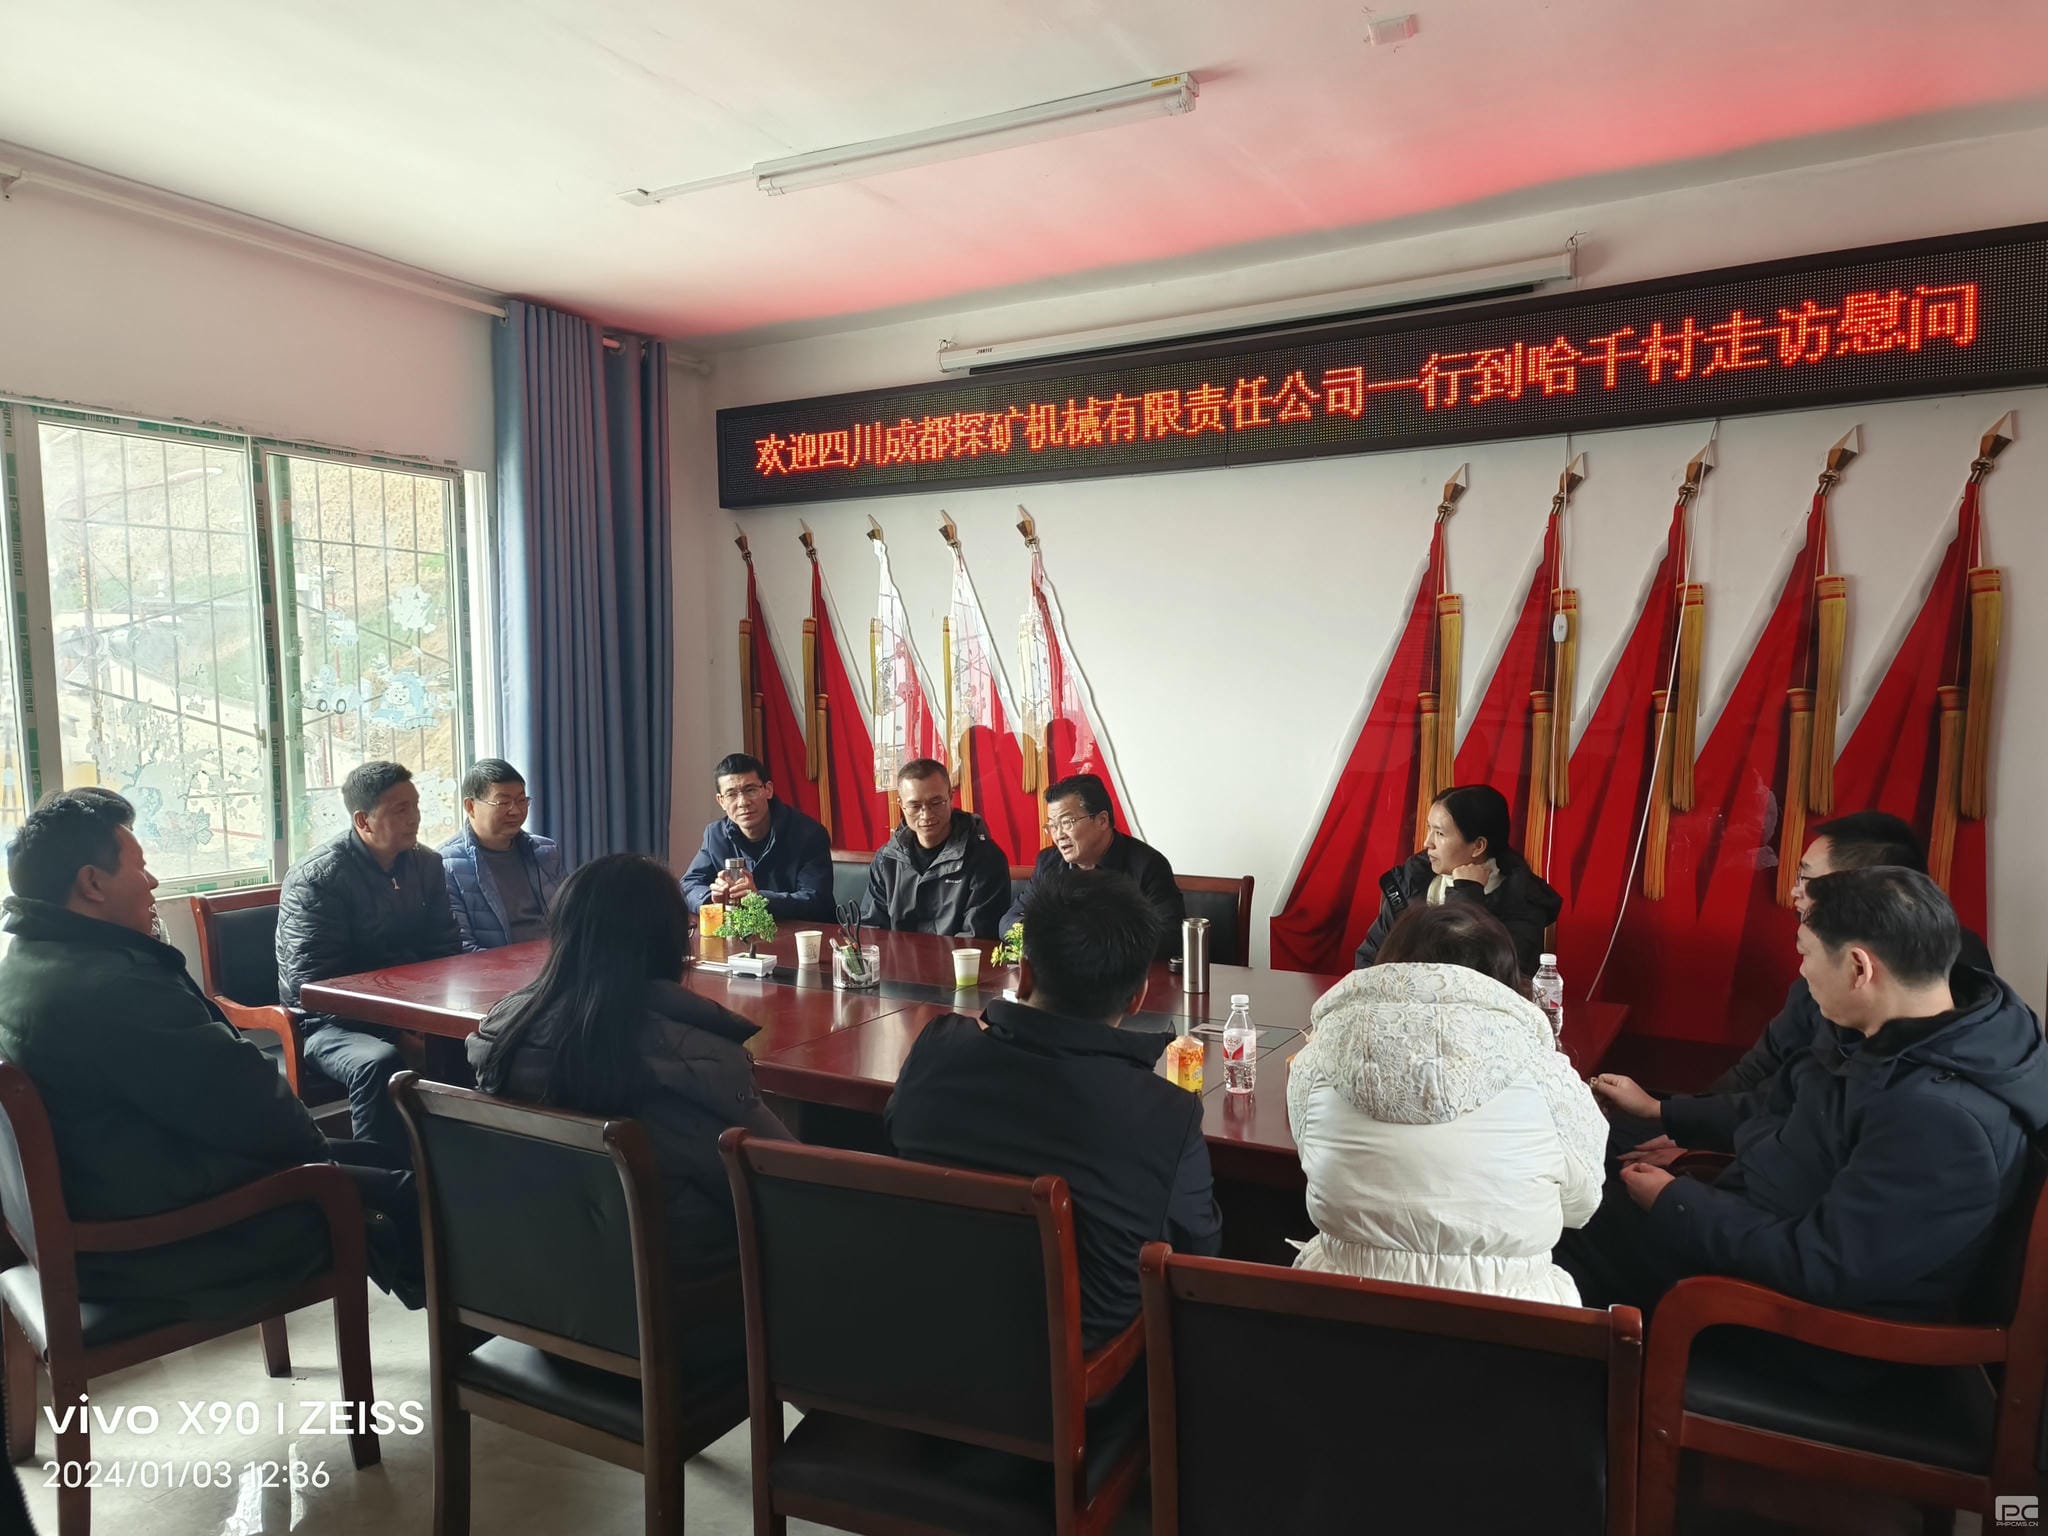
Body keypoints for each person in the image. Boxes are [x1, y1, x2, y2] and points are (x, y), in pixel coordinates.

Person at [1565, 868, 2047, 1329]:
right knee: (1574, 1169)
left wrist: (1678, 1203)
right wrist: (1663, 1114)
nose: (1802, 970)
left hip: (1794, 1317)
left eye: (1806, 953)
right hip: (1748, 1224)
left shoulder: (1943, 1120)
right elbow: (1772, 1108)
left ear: (1859, 967)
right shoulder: (1885, 1035)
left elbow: (1825, 1265)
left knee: (1560, 1222)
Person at [0, 790, 421, 1318]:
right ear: (92, 884)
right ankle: (477, 1350)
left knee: (383, 1162)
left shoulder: (27, 964)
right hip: (151, 1243)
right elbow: (260, 1113)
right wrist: (318, 1157)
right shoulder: (111, 988)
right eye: (140, 866)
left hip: (107, 1202)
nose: (153, 882)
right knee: (413, 1197)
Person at [470, 853, 791, 1378]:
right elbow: (782, 1183)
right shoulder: (691, 1056)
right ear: (668, 943)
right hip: (672, 1326)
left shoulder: (504, 1033)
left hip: (542, 1302)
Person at [886, 868, 1222, 1349]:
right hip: (1074, 1376)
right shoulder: (1165, 1113)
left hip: (917, 1339)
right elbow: (1200, 1257)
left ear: (1024, 975)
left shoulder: (937, 1050)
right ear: (1137, 997)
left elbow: (892, 1137)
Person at [1621, 810, 1998, 1163]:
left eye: (1806, 880)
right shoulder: (1826, 970)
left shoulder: (1920, 1005)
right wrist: (1678, 1123)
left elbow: (1811, 1126)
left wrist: (1696, 1158)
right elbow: (1762, 1071)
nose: (1793, 893)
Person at [1288, 902, 1606, 1303]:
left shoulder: (1318, 1059)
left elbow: (1312, 1160)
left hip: (1342, 1316)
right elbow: (1581, 1206)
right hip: (1512, 1327)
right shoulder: (1546, 1073)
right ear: (1504, 979)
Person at [277, 761, 461, 1150]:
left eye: (416, 805)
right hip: (328, 1024)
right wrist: (396, 1032)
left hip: (414, 1012)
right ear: (363, 820)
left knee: (486, 1041)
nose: (415, 817)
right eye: (400, 809)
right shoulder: (319, 878)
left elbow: (445, 950)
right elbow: (312, 986)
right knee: (380, 1061)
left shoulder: (426, 864)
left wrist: (428, 1022)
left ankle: (457, 1162)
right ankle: (383, 1177)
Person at [1354, 784, 1561, 978]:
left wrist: (1467, 894)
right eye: (1429, 829)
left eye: (1440, 833)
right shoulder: (1411, 881)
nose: (1427, 843)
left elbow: (1478, 980)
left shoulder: (1522, 900)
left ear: (1478, 846)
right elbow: (1369, 959)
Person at [999, 772, 1184, 957]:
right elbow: (1009, 921)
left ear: (1102, 820)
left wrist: (1084, 940)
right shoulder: (1049, 863)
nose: (1058, 835)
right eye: (1053, 826)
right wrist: (1044, 938)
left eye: (1067, 822)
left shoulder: (1147, 865)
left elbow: (1169, 935)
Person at [861, 758, 1011, 939]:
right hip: (896, 957)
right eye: (915, 806)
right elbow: (872, 932)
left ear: (950, 797)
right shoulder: (886, 859)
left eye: (936, 802)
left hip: (957, 958)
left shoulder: (985, 858)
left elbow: (977, 940)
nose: (926, 815)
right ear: (901, 805)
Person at [679, 752, 833, 921]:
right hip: (738, 934)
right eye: (731, 794)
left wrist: (759, 899)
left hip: (796, 932)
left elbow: (816, 901)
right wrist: (712, 899)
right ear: (721, 801)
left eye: (750, 790)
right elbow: (687, 886)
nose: (743, 802)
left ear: (768, 790)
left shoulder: (809, 834)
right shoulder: (715, 835)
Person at [439, 758, 566, 951]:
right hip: (498, 967)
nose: (515, 811)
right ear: (470, 807)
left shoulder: (546, 851)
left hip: (556, 961)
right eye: (503, 802)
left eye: (521, 800)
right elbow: (463, 947)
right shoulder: (447, 865)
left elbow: (571, 919)